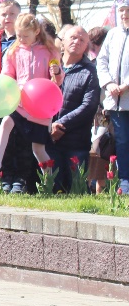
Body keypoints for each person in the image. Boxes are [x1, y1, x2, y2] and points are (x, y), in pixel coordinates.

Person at [0, 13, 63, 193]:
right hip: (21, 100)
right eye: (19, 35)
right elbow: (8, 74)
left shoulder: (49, 51)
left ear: (36, 31)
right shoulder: (14, 51)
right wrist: (8, 85)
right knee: (6, 123)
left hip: (40, 104)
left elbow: (57, 80)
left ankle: (48, 180)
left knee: (38, 148)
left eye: (25, 35)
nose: (21, 39)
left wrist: (57, 71)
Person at [50, 26, 100, 193]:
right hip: (50, 139)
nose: (76, 42)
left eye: (82, 40)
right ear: (63, 41)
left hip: (76, 141)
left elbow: (89, 105)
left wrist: (61, 124)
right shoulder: (51, 66)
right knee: (53, 189)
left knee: (76, 189)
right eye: (73, 38)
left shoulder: (90, 71)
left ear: (87, 46)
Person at [95, 0, 129, 192]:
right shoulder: (113, 34)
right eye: (122, 10)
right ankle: (125, 180)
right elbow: (102, 61)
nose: (124, 14)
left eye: (127, 10)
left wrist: (126, 84)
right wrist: (108, 84)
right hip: (115, 101)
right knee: (122, 140)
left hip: (126, 93)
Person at [0, 0, 20, 72]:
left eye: (12, 14)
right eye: (3, 15)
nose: (7, 18)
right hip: (0, 80)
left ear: (19, 16)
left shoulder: (26, 37)